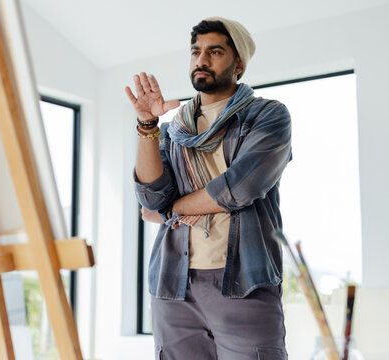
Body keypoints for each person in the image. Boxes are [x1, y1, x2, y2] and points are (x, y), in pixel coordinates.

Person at [125, 17, 292, 359]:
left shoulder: (267, 116)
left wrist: (172, 210)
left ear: (238, 62)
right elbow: (150, 197)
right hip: (173, 283)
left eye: (214, 51)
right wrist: (147, 126)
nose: (201, 59)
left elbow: (238, 187)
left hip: (244, 280)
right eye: (196, 51)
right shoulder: (173, 130)